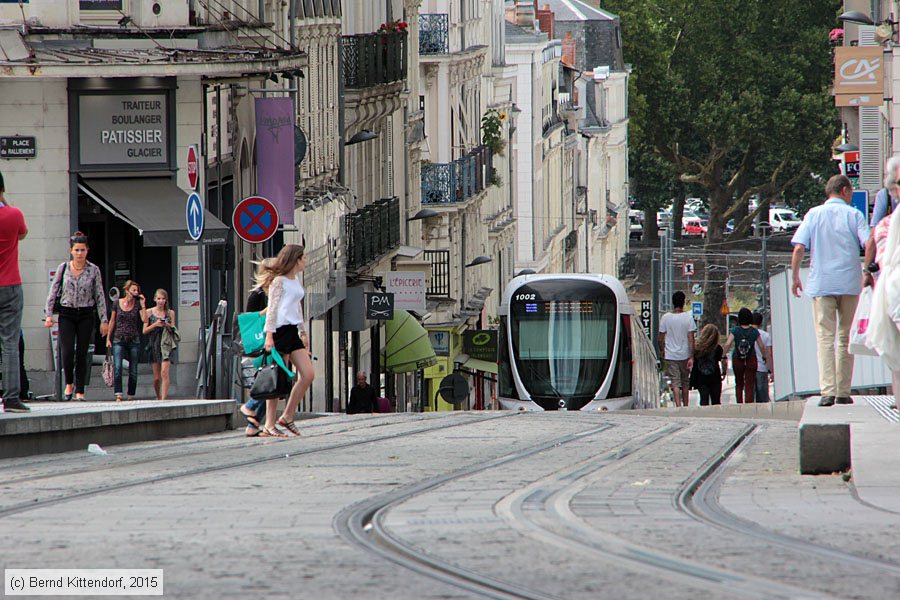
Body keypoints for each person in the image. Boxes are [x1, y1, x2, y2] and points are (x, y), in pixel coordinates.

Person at [792, 174, 869, 407]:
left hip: (822, 284)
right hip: (849, 283)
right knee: (846, 337)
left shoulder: (813, 214)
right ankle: (844, 391)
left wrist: (795, 276)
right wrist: (870, 271)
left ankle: (827, 391)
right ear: (844, 190)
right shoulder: (854, 215)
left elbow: (798, 248)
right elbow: (868, 243)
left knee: (825, 338)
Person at [44, 231, 109, 401]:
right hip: (67, 313)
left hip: (86, 313)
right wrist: (49, 314)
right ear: (71, 251)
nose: (80, 253)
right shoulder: (63, 268)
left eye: (83, 250)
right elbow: (53, 291)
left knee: (82, 352)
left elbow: (100, 295)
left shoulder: (93, 270)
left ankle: (80, 389)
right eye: (77, 250)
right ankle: (69, 383)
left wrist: (104, 320)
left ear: (87, 250)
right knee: (66, 351)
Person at [263, 245, 315, 437]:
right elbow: (272, 308)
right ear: (296, 260)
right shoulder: (279, 281)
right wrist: (269, 335)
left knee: (308, 374)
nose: (306, 261)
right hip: (279, 331)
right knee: (279, 380)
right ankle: (269, 424)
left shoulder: (296, 279)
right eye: (304, 258)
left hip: (292, 331)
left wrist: (303, 331)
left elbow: (297, 307)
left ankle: (287, 416)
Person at [239, 258, 284, 437]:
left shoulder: (274, 290)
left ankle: (253, 424)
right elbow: (251, 318)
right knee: (269, 380)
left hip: (275, 339)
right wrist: (271, 307)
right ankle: (250, 406)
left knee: (271, 380)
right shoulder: (258, 294)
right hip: (264, 342)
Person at [0, 171, 29, 413]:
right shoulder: (14, 215)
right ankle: (11, 399)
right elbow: (23, 233)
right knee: (9, 343)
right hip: (10, 285)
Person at [107, 280, 146, 401]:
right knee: (118, 367)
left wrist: (143, 304)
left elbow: (144, 319)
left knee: (133, 369)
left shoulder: (137, 304)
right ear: (127, 291)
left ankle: (131, 394)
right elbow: (112, 321)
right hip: (119, 338)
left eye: (136, 291)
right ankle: (118, 393)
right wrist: (108, 338)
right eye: (133, 290)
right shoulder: (117, 303)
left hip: (133, 339)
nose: (135, 293)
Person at [723, 308, 770, 404]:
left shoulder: (735, 330)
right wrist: (764, 356)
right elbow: (761, 345)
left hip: (738, 359)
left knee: (739, 383)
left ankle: (739, 403)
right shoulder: (754, 331)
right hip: (751, 359)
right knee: (749, 383)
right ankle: (748, 404)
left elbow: (728, 344)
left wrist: (723, 356)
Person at [658, 291, 696, 408]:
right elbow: (691, 338)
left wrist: (662, 350)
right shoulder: (688, 317)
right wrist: (691, 356)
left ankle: (678, 405)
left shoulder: (665, 318)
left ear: (673, 302)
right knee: (685, 381)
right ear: (683, 302)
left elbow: (660, 338)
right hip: (684, 354)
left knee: (675, 382)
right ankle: (685, 405)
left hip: (670, 355)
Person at [144, 288, 177, 400]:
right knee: (157, 377)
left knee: (164, 372)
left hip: (166, 344)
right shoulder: (149, 312)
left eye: (163, 299)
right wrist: (155, 324)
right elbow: (144, 330)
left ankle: (163, 399)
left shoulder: (170, 313)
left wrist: (167, 325)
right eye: (159, 298)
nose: (161, 301)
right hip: (154, 343)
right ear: (154, 299)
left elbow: (173, 329)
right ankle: (158, 396)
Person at [690, 324, 727, 406]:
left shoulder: (697, 348)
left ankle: (703, 415)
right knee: (716, 400)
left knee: (703, 399)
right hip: (714, 377)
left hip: (701, 377)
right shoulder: (717, 348)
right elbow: (724, 361)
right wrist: (724, 372)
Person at [751, 312, 774, 403]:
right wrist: (771, 370)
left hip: (749, 368)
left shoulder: (746, 333)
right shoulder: (765, 335)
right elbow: (769, 354)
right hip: (762, 368)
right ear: (761, 323)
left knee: (750, 396)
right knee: (762, 396)